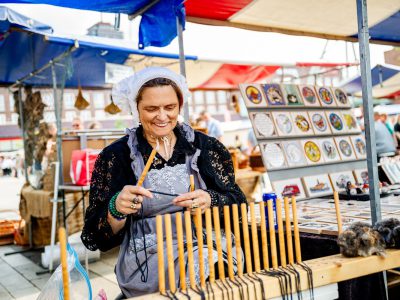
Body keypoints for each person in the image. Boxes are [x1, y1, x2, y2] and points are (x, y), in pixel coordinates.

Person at [81, 67, 246, 298]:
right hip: (149, 261)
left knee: (217, 266)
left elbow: (238, 203)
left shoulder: (205, 147)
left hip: (209, 245)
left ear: (180, 104)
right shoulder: (116, 156)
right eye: (151, 109)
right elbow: (94, 236)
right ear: (135, 109)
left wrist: (211, 199)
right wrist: (115, 208)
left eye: (170, 107)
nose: (162, 116)